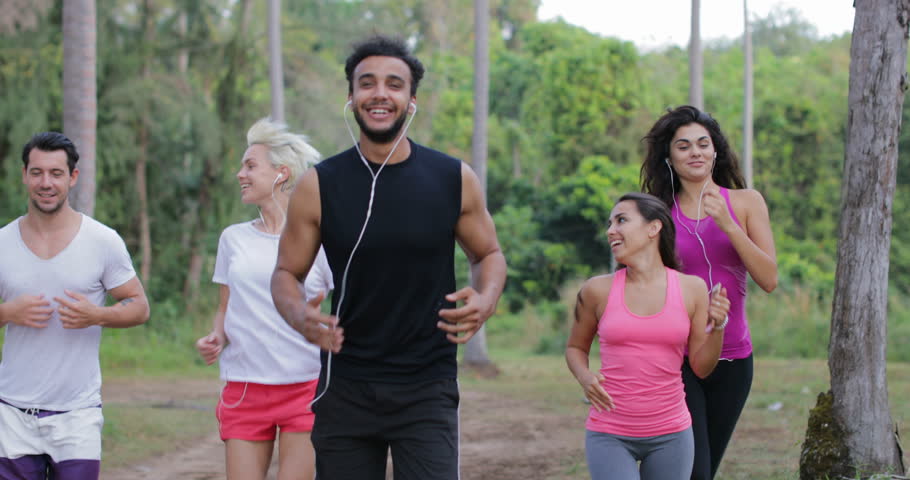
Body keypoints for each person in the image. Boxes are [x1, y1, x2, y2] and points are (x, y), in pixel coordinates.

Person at [270, 35, 507, 480]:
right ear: (351, 96)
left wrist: (486, 296)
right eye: (367, 83)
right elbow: (286, 272)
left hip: (427, 385)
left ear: (411, 100)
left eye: (394, 84)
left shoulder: (453, 177)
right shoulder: (318, 184)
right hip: (345, 385)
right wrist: (299, 315)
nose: (380, 93)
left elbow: (488, 253)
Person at [0, 131, 150, 480]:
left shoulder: (102, 241)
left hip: (77, 414)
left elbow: (139, 306)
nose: (45, 183)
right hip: (11, 412)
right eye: (37, 172)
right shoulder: (3, 242)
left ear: (73, 177)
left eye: (55, 173)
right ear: (24, 175)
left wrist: (98, 315)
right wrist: (8, 312)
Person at [640, 105, 778, 480]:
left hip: (734, 360)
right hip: (676, 359)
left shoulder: (747, 202)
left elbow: (768, 279)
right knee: (690, 471)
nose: (695, 152)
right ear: (668, 156)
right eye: (683, 146)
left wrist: (729, 226)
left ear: (716, 150)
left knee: (704, 469)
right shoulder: (658, 213)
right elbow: (643, 286)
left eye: (703, 143)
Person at [195, 118, 331, 480]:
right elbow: (225, 308)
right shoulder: (233, 239)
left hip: (305, 386)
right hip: (244, 389)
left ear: (281, 174)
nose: (240, 174)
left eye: (250, 166)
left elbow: (351, 302)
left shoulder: (320, 238)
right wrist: (216, 337)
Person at [566, 192, 728, 480]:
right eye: (610, 223)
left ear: (653, 228)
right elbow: (576, 348)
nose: (610, 230)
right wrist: (585, 377)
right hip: (610, 433)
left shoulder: (692, 288)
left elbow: (702, 367)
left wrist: (718, 327)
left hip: (672, 434)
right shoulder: (596, 290)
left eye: (622, 220)